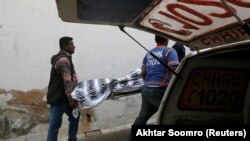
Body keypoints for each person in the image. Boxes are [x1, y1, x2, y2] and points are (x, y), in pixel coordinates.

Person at [128, 35, 179, 141]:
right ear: (167, 39)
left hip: (146, 90)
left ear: (156, 40)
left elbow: (143, 72)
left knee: (142, 118)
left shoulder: (149, 53)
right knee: (170, 117)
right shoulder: (170, 51)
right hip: (160, 90)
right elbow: (174, 69)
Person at [46, 36, 79, 141]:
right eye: (71, 44)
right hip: (59, 98)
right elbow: (67, 81)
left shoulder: (65, 58)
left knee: (75, 116)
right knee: (54, 126)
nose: (74, 46)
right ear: (65, 46)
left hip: (65, 98)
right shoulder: (64, 60)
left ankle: (72, 139)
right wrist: (71, 99)